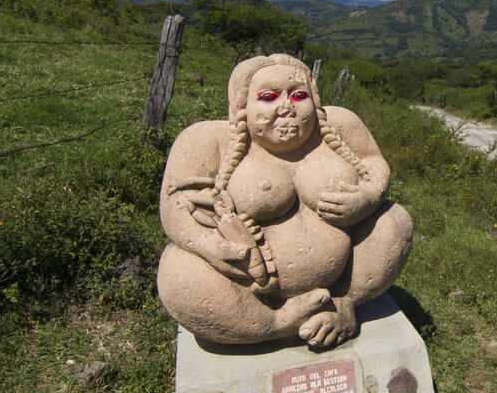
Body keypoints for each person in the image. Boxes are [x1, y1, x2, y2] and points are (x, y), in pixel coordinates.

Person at [157, 54, 412, 348]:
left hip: (344, 278)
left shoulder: (339, 123)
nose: (286, 107)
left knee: (395, 221)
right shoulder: (206, 139)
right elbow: (174, 205)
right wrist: (212, 245)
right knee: (178, 272)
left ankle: (346, 304)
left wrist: (369, 196)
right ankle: (273, 325)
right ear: (243, 104)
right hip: (250, 287)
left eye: (299, 95)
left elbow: (373, 162)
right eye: (269, 97)